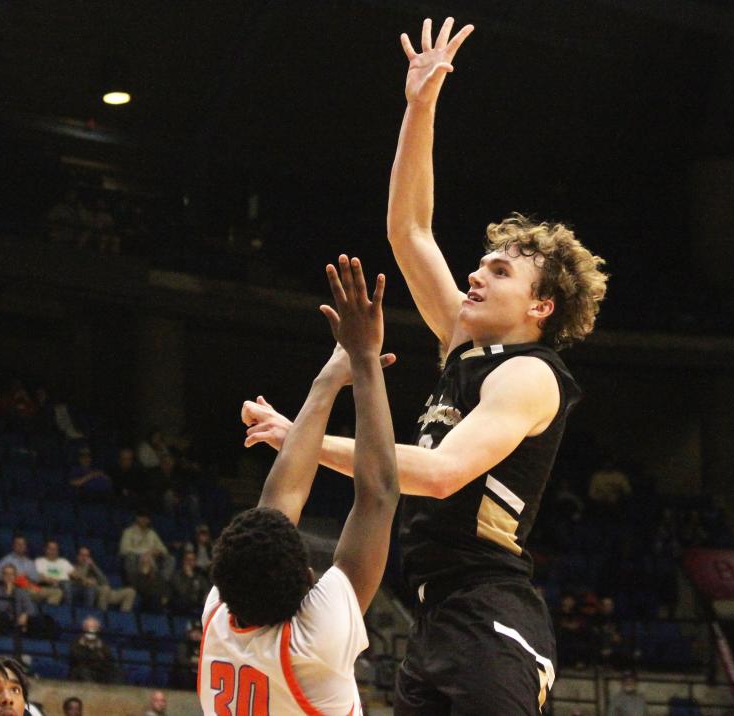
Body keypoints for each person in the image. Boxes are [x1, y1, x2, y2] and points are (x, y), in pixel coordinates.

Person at [241, 18, 608, 714]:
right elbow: (408, 229)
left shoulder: (529, 375)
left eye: (498, 271)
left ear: (540, 307)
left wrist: (305, 440)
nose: (474, 274)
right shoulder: (466, 345)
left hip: (492, 617)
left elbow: (440, 476)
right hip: (437, 617)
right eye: (479, 263)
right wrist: (420, 104)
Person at [202, 257, 398, 715]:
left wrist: (335, 374)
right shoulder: (313, 641)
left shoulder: (220, 619)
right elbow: (379, 493)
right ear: (307, 579)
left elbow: (284, 500)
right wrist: (365, 360)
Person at [0, 535, 62, 606]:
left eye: (23, 544)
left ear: (25, 547)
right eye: (18, 544)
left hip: (31, 587)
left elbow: (36, 578)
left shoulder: (30, 562)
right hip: (14, 588)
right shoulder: (5, 560)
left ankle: (48, 613)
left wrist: (49, 580)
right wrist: (16, 578)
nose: (21, 546)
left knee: (57, 592)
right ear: (13, 546)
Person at [71, 546, 136, 612]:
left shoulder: (92, 567)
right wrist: (86, 566)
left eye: (87, 556)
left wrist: (93, 566)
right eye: (82, 555)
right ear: (77, 556)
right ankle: (102, 614)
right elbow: (79, 579)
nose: (85, 558)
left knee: (130, 591)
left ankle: (124, 617)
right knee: (105, 589)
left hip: (105, 592)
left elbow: (105, 581)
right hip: (90, 592)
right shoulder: (73, 567)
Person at [119, 512, 175, 584]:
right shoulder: (128, 532)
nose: (145, 520)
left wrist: (156, 552)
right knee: (130, 557)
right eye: (142, 517)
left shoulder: (152, 533)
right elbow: (123, 549)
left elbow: (164, 550)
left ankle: (161, 583)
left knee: (170, 558)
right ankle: (134, 583)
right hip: (137, 561)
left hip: (152, 561)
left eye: (147, 518)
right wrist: (145, 553)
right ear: (137, 518)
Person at [35, 539, 87, 607]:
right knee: (66, 584)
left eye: (55, 549)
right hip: (49, 585)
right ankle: (68, 610)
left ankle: (89, 612)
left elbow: (75, 574)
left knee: (89, 588)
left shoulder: (63, 562)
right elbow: (39, 576)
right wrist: (50, 580)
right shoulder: (39, 561)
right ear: (45, 549)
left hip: (68, 585)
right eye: (50, 549)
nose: (53, 551)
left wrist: (86, 580)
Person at [69, 615, 117, 683]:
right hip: (82, 669)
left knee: (116, 671)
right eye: (89, 627)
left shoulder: (102, 644)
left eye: (94, 627)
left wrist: (99, 649)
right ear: (84, 628)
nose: (91, 630)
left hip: (99, 670)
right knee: (83, 671)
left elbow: (109, 660)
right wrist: (89, 649)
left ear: (98, 629)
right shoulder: (77, 642)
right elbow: (77, 658)